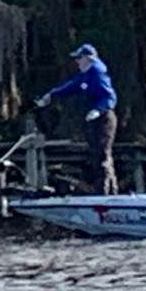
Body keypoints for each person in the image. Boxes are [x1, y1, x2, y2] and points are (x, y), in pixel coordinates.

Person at [36, 42, 119, 194]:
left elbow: (110, 97)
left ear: (88, 58)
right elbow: (72, 86)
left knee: (102, 154)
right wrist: (52, 94)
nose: (77, 61)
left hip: (104, 118)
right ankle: (106, 191)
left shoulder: (97, 72)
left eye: (79, 58)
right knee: (95, 154)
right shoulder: (85, 75)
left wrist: (98, 110)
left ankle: (106, 192)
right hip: (94, 120)